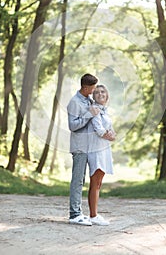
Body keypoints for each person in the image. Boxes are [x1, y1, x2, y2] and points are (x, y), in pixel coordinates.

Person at [67, 73, 100, 226]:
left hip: (89, 146)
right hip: (80, 146)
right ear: (85, 87)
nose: (94, 90)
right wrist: (88, 115)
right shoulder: (74, 102)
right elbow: (72, 126)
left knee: (83, 180)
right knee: (78, 180)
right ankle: (74, 214)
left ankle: (79, 212)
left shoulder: (89, 100)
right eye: (92, 88)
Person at [87, 84, 115, 226]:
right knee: (95, 181)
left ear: (107, 95)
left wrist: (111, 134)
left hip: (104, 149)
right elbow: (98, 129)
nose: (100, 94)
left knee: (99, 182)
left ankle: (94, 214)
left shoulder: (106, 111)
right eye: (97, 92)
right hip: (96, 149)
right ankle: (93, 215)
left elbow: (110, 130)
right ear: (94, 96)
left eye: (103, 91)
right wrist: (108, 135)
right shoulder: (95, 110)